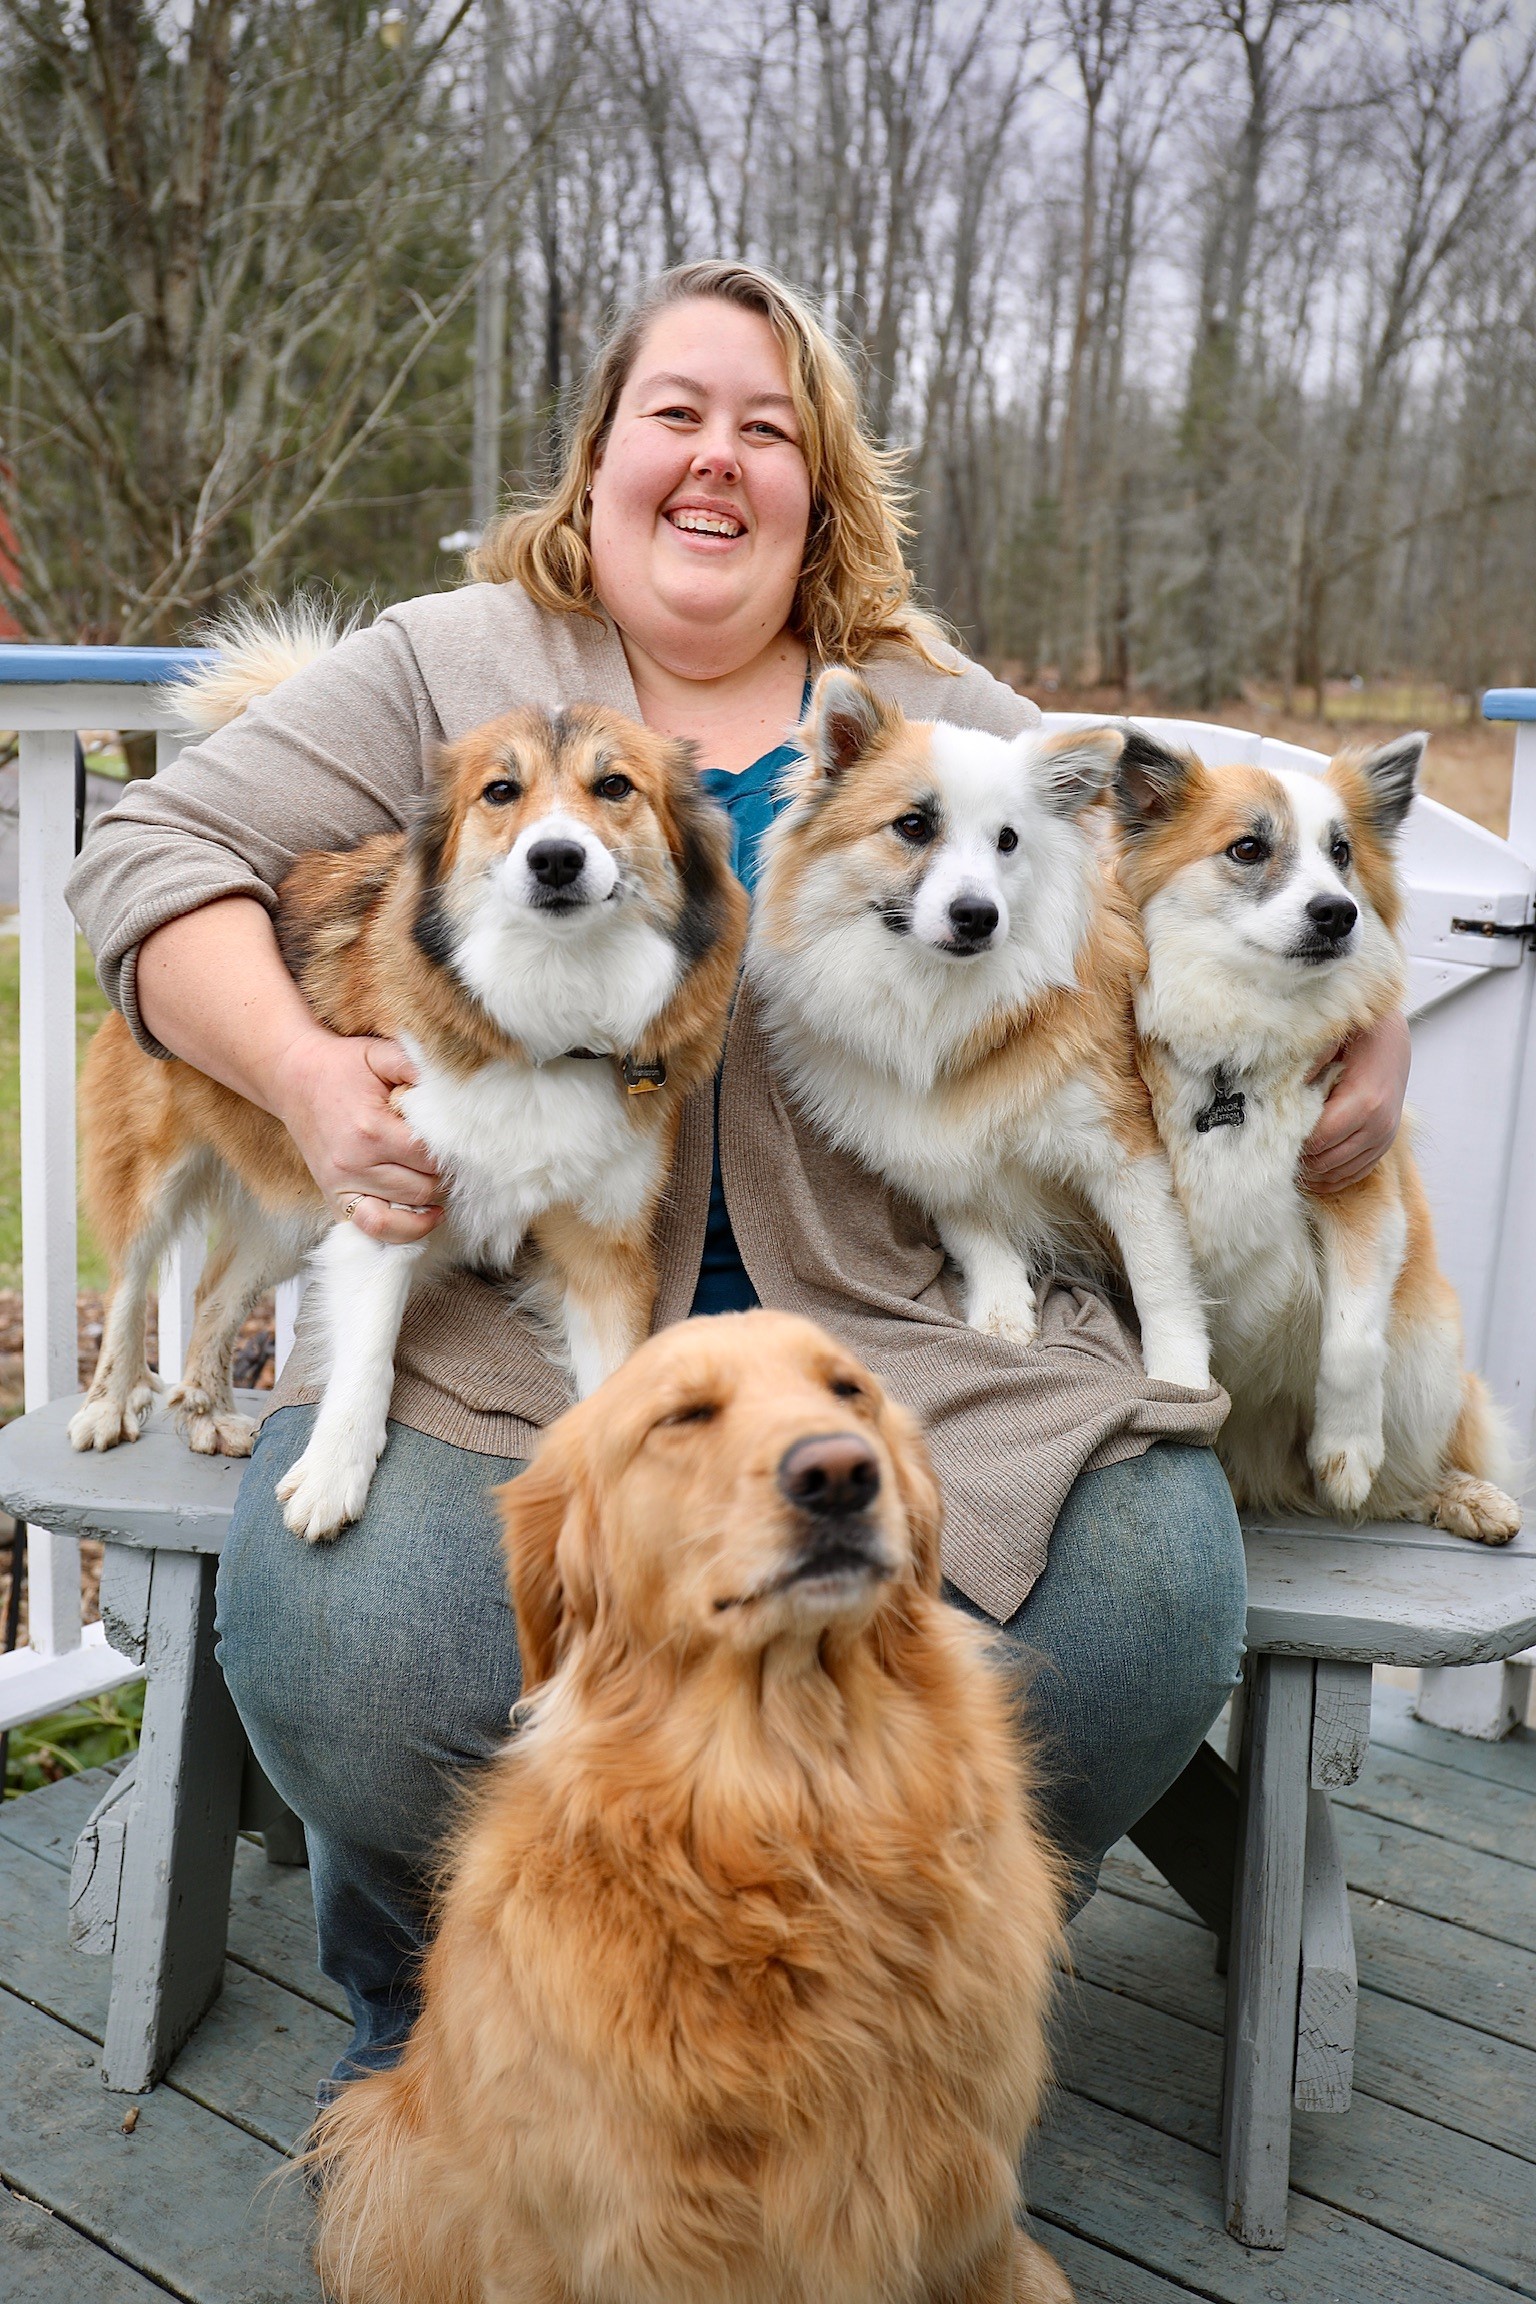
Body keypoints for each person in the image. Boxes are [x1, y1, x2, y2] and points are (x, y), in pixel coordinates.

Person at [66, 260, 1411, 2096]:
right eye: (672, 417)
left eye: (765, 430)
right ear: (598, 453)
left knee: (1134, 1616)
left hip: (905, 1329)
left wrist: (1365, 1017)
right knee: (375, 1678)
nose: (715, 463)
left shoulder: (927, 702)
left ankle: (863, 2030)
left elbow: (1204, 865)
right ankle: (454, 2040)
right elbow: (146, 855)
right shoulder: (446, 668)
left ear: (820, 480)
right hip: (504, 1347)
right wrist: (307, 1076)